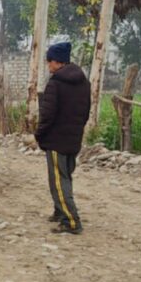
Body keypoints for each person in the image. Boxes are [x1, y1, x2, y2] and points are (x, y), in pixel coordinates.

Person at [35, 42, 91, 234]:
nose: (48, 65)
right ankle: (60, 211)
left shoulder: (56, 83)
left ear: (56, 62)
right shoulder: (84, 82)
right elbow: (85, 113)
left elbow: (47, 115)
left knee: (59, 181)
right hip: (73, 140)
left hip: (56, 141)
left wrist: (39, 134)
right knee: (66, 177)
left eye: (49, 61)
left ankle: (71, 222)